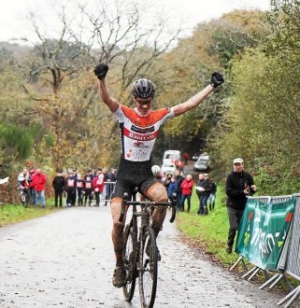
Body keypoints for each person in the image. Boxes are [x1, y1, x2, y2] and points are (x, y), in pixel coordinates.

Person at [94, 62, 224, 288]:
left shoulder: (159, 115)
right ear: (134, 100)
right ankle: (119, 265)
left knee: (162, 200)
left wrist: (211, 86)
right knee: (117, 223)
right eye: (140, 103)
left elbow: (188, 105)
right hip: (125, 176)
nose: (144, 107)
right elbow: (107, 99)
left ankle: (150, 241)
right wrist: (101, 79)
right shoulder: (124, 114)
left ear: (152, 100)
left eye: (147, 102)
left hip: (145, 174)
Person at [225, 158, 257, 254]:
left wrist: (254, 189)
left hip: (244, 206)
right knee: (234, 226)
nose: (238, 166)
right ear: (233, 166)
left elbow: (250, 190)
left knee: (242, 227)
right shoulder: (230, 177)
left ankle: (239, 247)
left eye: (239, 164)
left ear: (243, 165)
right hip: (232, 206)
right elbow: (228, 191)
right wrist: (241, 192)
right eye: (236, 165)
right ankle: (229, 243)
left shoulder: (248, 176)